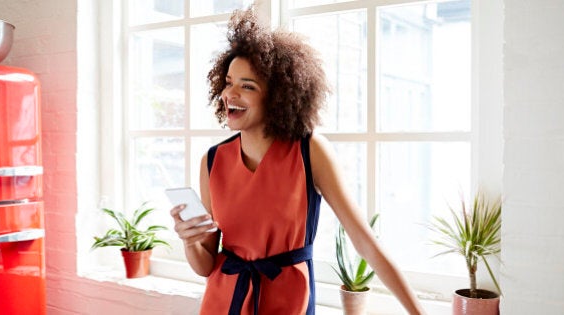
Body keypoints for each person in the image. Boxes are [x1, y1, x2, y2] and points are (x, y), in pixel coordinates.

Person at [170, 7, 426, 315]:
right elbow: (206, 266)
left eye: (247, 85)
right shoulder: (212, 161)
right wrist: (189, 242)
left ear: (278, 96)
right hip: (224, 304)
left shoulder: (309, 151)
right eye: (228, 82)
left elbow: (365, 243)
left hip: (288, 302)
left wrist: (418, 313)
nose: (230, 94)